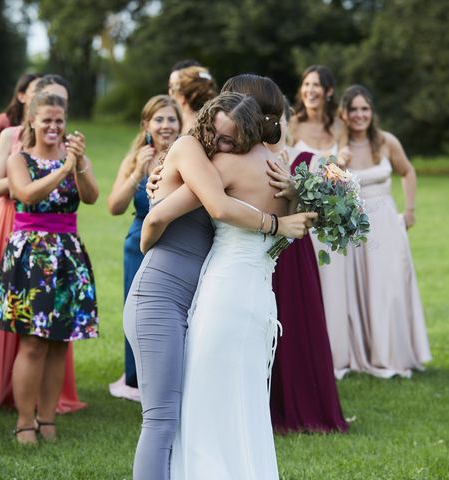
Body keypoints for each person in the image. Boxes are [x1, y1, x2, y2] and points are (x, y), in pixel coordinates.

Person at [128, 75, 315, 480]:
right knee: (165, 417)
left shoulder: (227, 162)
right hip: (164, 293)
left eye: (232, 138)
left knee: (207, 404)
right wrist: (278, 220)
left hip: (209, 293)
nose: (224, 144)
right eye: (220, 134)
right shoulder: (208, 156)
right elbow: (165, 214)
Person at [0, 74, 85, 414]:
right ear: (31, 102)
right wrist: (30, 178)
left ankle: (44, 401)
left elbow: (90, 192)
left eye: (62, 102)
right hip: (13, 223)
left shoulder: (68, 144)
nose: (55, 107)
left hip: (58, 229)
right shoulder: (10, 136)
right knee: (16, 312)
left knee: (50, 326)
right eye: (49, 98)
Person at [0, 92, 99, 444]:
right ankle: (25, 422)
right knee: (33, 343)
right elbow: (25, 194)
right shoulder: (19, 158)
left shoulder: (74, 158)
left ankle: (48, 419)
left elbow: (91, 196)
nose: (54, 127)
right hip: (31, 255)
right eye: (47, 120)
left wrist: (78, 165)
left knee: (59, 343)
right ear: (33, 122)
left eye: (59, 120)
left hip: (68, 254)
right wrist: (63, 170)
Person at [321, 84, 430, 378]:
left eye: (365, 109)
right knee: (359, 289)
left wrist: (409, 210)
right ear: (343, 113)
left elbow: (407, 171)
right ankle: (360, 352)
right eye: (353, 109)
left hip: (384, 225)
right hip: (353, 225)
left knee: (388, 288)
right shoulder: (335, 147)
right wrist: (337, 163)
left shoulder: (386, 142)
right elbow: (326, 189)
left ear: (372, 112)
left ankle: (390, 352)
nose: (360, 115)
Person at [267, 105, 348, 434]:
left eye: (279, 117)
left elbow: (324, 214)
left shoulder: (305, 160)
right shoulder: (252, 159)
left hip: (295, 251)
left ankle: (304, 405)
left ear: (288, 122)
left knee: (298, 322)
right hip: (261, 249)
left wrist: (297, 194)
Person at [106, 95, 181, 401]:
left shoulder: (190, 154)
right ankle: (137, 378)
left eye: (171, 119)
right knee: (138, 313)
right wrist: (138, 171)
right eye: (159, 119)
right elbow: (114, 206)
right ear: (146, 125)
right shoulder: (136, 157)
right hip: (138, 243)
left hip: (176, 242)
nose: (165, 126)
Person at [167, 66, 217, 133]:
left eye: (173, 91)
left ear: (183, 98)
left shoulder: (184, 134)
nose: (170, 95)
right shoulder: (213, 126)